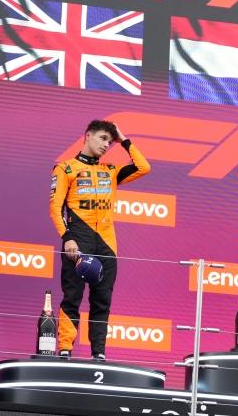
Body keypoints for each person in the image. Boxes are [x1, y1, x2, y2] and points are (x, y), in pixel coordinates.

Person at [49, 120, 150, 361]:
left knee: (102, 300)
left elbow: (143, 167)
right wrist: (68, 238)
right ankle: (65, 349)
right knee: (72, 296)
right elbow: (55, 208)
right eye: (103, 138)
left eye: (110, 142)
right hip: (78, 240)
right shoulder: (65, 169)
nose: (106, 145)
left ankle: (99, 354)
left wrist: (123, 140)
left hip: (107, 244)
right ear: (88, 136)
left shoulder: (111, 171)